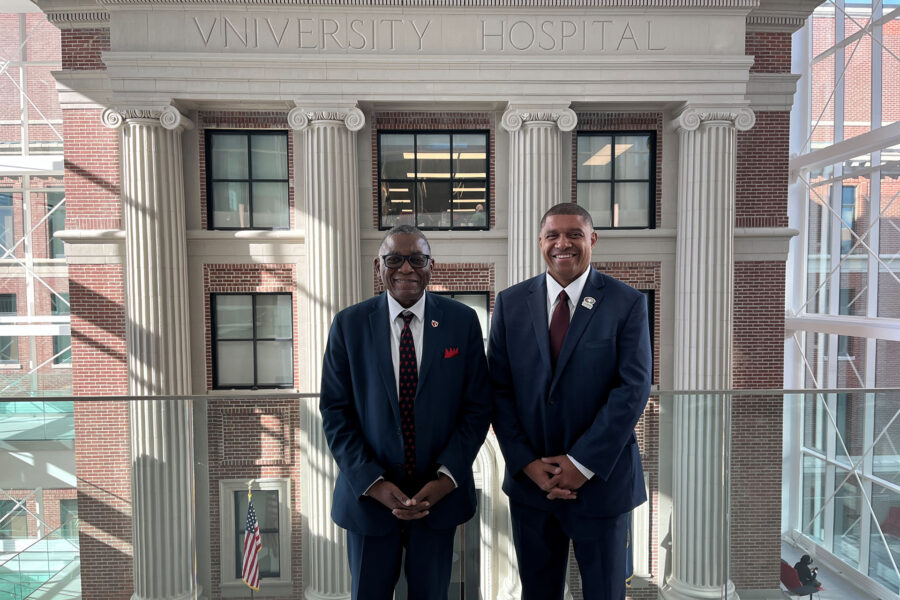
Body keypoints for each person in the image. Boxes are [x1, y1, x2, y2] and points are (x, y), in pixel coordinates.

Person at [488, 202, 651, 600]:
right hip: (533, 486)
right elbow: (497, 389)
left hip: (601, 483)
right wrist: (526, 462)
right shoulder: (510, 303)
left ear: (592, 239)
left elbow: (633, 388)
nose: (564, 243)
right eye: (553, 236)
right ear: (540, 242)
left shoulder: (626, 302)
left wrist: (582, 464)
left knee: (604, 593)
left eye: (574, 234)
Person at [320, 224, 491, 600]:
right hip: (368, 502)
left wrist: (447, 479)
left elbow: (477, 408)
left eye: (417, 259)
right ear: (378, 265)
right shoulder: (349, 324)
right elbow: (335, 412)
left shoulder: (462, 322)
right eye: (394, 259)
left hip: (437, 502)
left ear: (432, 265)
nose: (406, 269)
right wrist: (374, 483)